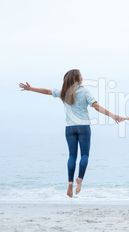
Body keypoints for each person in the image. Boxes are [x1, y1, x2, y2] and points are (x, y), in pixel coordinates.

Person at [19, 69, 120, 198]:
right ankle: (80, 179)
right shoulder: (84, 91)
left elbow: (47, 91)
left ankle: (70, 182)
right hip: (83, 127)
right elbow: (96, 106)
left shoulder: (64, 92)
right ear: (78, 79)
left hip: (70, 128)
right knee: (84, 154)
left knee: (72, 155)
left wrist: (31, 88)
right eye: (81, 75)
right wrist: (112, 115)